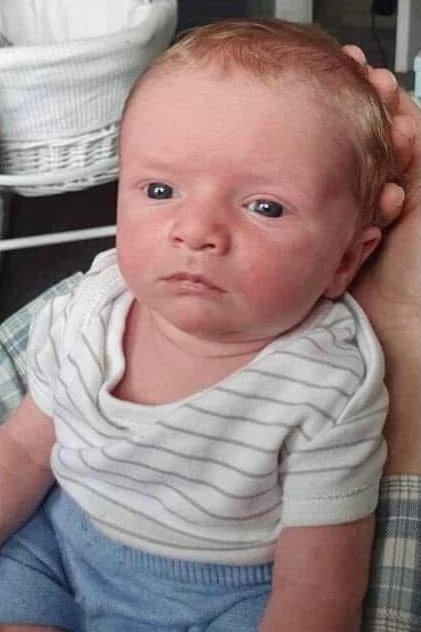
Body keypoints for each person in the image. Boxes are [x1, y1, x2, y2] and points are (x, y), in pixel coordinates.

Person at [0, 19, 418, 632]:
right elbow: (22, 451)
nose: (195, 231)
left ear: (348, 259)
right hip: (61, 543)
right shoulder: (89, 308)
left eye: (265, 207)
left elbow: (320, 591)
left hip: (224, 599)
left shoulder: (328, 386)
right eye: (161, 188)